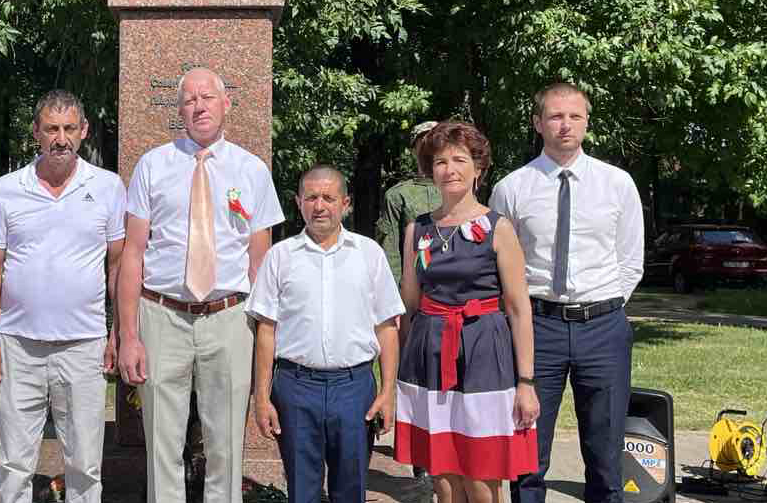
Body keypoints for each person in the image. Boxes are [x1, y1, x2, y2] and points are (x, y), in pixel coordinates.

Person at [116, 66, 285, 503]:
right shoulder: (153, 165)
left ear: (226, 103)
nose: (199, 105)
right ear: (180, 110)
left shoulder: (252, 170)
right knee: (162, 444)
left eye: (207, 97)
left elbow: (259, 259)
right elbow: (132, 253)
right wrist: (129, 335)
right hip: (162, 315)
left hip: (228, 318)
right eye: (189, 99)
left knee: (226, 445)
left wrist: (267, 332)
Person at [492, 84, 643, 503]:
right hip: (539, 328)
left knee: (605, 452)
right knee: (528, 451)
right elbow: (504, 267)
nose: (565, 125)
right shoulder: (512, 188)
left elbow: (630, 261)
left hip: (603, 328)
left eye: (575, 116)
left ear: (587, 123)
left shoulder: (617, 184)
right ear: (538, 123)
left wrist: (603, 306)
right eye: (556, 116)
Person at [0, 90, 126, 503]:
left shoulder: (109, 187)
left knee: (85, 462)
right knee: (13, 461)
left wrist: (120, 334)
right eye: (52, 129)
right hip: (18, 345)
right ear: (37, 133)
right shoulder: (7, 190)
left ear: (84, 131)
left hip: (84, 345)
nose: (61, 138)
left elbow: (118, 268)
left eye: (69, 129)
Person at [395, 121, 540, 503]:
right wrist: (400, 376)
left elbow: (519, 310)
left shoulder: (499, 228)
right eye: (440, 161)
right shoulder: (418, 231)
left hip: (483, 353)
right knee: (443, 477)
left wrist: (526, 382)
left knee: (481, 474)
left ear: (478, 169)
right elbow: (409, 305)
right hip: (428, 356)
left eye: (460, 159)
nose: (450, 169)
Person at [249, 165, 404, 503]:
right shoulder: (280, 257)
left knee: (350, 490)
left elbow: (387, 328)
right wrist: (262, 397)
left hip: (354, 389)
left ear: (345, 203)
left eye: (329, 198)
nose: (320, 206)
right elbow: (266, 330)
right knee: (302, 490)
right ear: (298, 202)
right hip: (295, 387)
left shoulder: (369, 255)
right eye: (311, 197)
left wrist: (388, 391)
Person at [377, 120, 444, 286]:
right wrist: (395, 297)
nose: (429, 147)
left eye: (435, 141)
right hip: (415, 289)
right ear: (414, 150)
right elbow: (390, 249)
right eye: (423, 143)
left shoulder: (458, 190)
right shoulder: (398, 195)